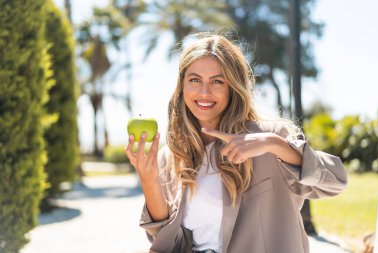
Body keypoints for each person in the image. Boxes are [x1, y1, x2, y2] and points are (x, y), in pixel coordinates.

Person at [125, 33, 347, 253]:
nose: (204, 92)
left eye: (217, 81)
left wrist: (274, 144)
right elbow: (169, 245)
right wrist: (149, 179)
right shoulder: (171, 156)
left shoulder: (270, 138)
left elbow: (335, 181)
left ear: (233, 87)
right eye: (194, 80)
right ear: (182, 86)